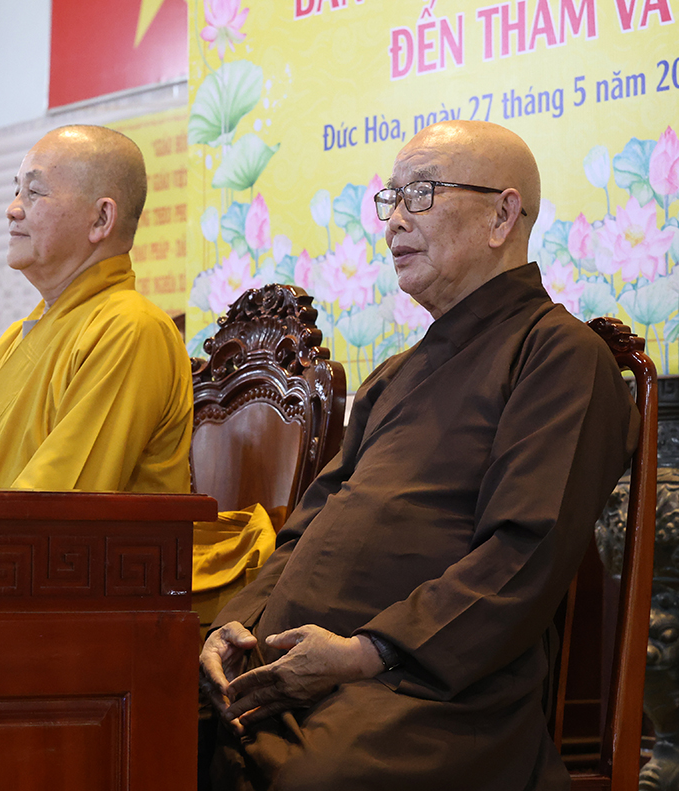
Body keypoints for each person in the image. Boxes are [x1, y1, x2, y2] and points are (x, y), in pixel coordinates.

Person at [199, 120, 639, 790]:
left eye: (422, 194)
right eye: (391, 199)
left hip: (430, 689)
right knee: (157, 719)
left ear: (502, 215)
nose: (395, 221)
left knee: (308, 779)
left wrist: (364, 652)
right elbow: (304, 529)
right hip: (295, 671)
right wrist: (236, 623)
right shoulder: (394, 374)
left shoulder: (558, 355)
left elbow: (525, 552)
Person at [0, 125, 193, 492]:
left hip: (49, 531)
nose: (12, 210)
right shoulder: (13, 340)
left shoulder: (131, 329)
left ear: (101, 219)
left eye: (34, 192)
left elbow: (61, 502)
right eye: (16, 191)